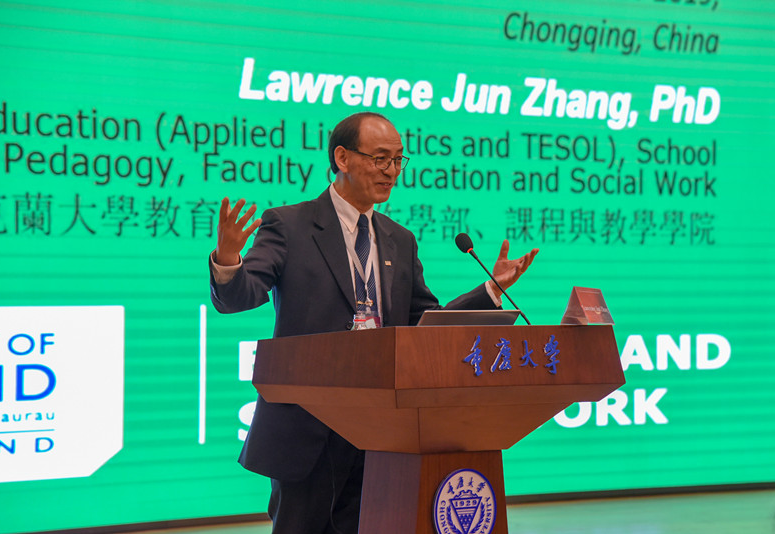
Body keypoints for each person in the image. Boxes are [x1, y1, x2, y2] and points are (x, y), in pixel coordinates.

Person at [209, 111, 538, 534]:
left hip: (382, 430)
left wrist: (490, 291)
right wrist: (229, 259)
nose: (392, 171)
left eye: (398, 160)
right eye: (381, 158)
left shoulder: (399, 239)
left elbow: (425, 324)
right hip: (310, 427)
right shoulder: (289, 225)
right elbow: (241, 296)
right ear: (342, 158)